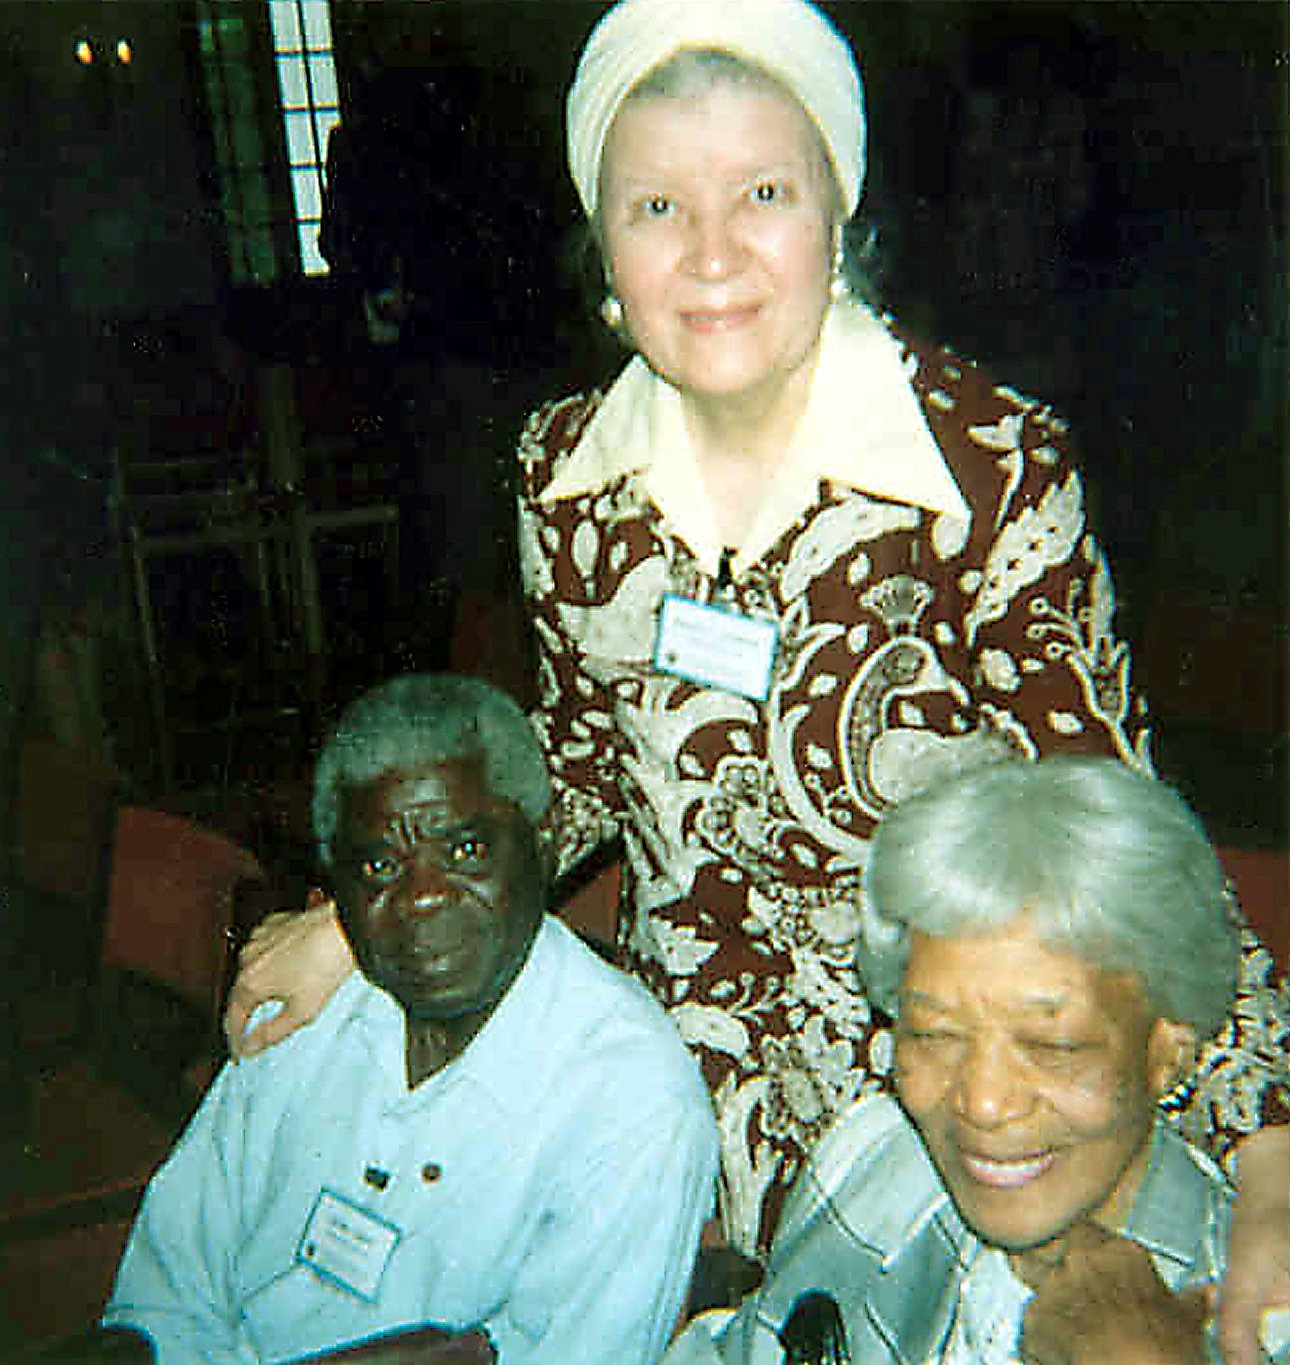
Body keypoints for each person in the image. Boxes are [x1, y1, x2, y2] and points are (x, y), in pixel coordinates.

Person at [222, 0, 1289, 1351]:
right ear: (602, 250)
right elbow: (586, 765)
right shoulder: (566, 473)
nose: (711, 253)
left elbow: (1123, 832)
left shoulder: (982, 466)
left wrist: (1271, 1148)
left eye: (763, 192)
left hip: (947, 1090)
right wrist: (360, 919)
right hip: (674, 1079)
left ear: (836, 211)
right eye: (655, 204)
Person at [98, 674, 717, 1363]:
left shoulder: (631, 1101)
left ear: (543, 849)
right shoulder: (304, 1011)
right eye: (381, 862)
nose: (422, 897)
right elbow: (163, 1296)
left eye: (465, 850)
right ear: (339, 889)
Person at [664, 757, 1290, 1364]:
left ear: (1168, 1049)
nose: (983, 1102)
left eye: (1053, 1047)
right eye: (935, 1034)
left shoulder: (1263, 1316)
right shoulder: (873, 1164)